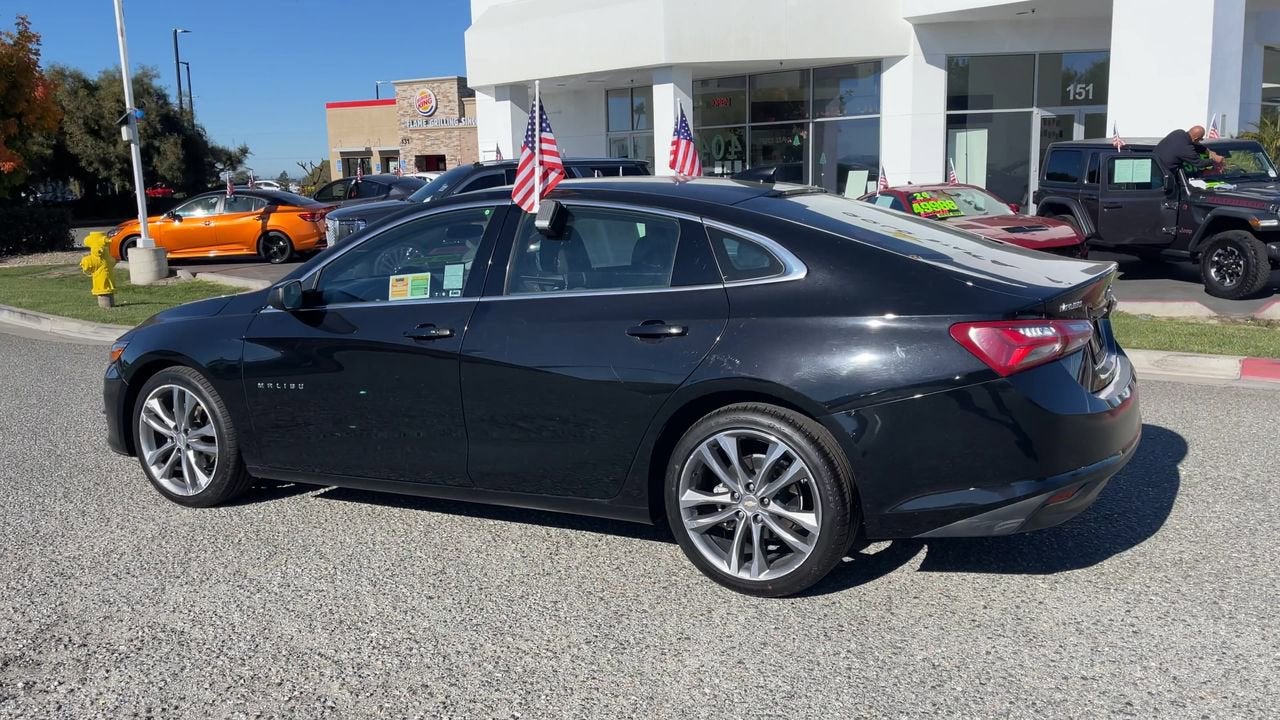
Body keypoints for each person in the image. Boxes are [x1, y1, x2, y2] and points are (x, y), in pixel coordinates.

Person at [1153, 125, 1223, 176]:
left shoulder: (1178, 133)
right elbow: (1199, 163)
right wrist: (1214, 161)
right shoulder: (1186, 149)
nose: (1200, 141)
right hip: (1160, 175)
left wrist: (1208, 151)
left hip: (1153, 165)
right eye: (1201, 139)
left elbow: (1194, 145)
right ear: (1196, 138)